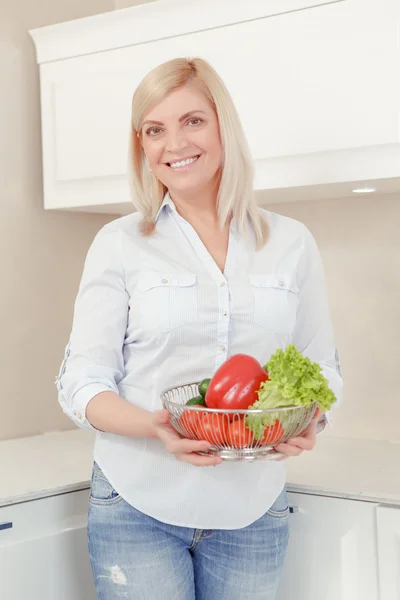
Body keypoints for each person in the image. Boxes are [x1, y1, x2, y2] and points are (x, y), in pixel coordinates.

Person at [56, 57, 342, 600]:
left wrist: (312, 419)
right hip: (137, 504)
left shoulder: (292, 242)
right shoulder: (119, 244)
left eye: (192, 121)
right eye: (154, 130)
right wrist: (155, 426)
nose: (173, 144)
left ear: (221, 125)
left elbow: (322, 366)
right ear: (141, 146)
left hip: (253, 508)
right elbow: (82, 382)